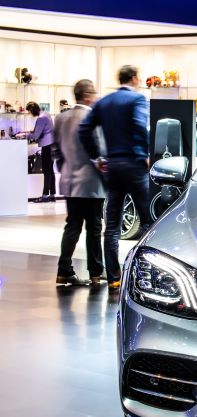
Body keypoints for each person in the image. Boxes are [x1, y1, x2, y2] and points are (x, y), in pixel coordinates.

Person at [79, 65, 150, 290]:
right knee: (149, 223)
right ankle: (144, 276)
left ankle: (113, 278)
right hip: (134, 164)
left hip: (112, 166)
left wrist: (96, 157)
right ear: (135, 78)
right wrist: (146, 153)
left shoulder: (104, 102)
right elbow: (140, 126)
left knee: (112, 226)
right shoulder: (137, 100)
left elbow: (84, 129)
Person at [54, 79, 106, 286]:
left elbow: (56, 151)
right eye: (94, 93)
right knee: (94, 228)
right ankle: (95, 273)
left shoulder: (60, 118)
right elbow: (100, 151)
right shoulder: (93, 118)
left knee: (72, 226)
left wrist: (65, 170)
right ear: (87, 95)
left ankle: (64, 270)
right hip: (91, 182)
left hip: (69, 180)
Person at [25, 101, 56, 202]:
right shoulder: (46, 114)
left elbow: (35, 135)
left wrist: (23, 135)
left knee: (47, 171)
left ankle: (45, 196)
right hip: (52, 145)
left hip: (47, 146)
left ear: (32, 110)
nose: (30, 114)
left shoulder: (41, 118)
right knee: (50, 171)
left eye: (29, 111)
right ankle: (52, 195)